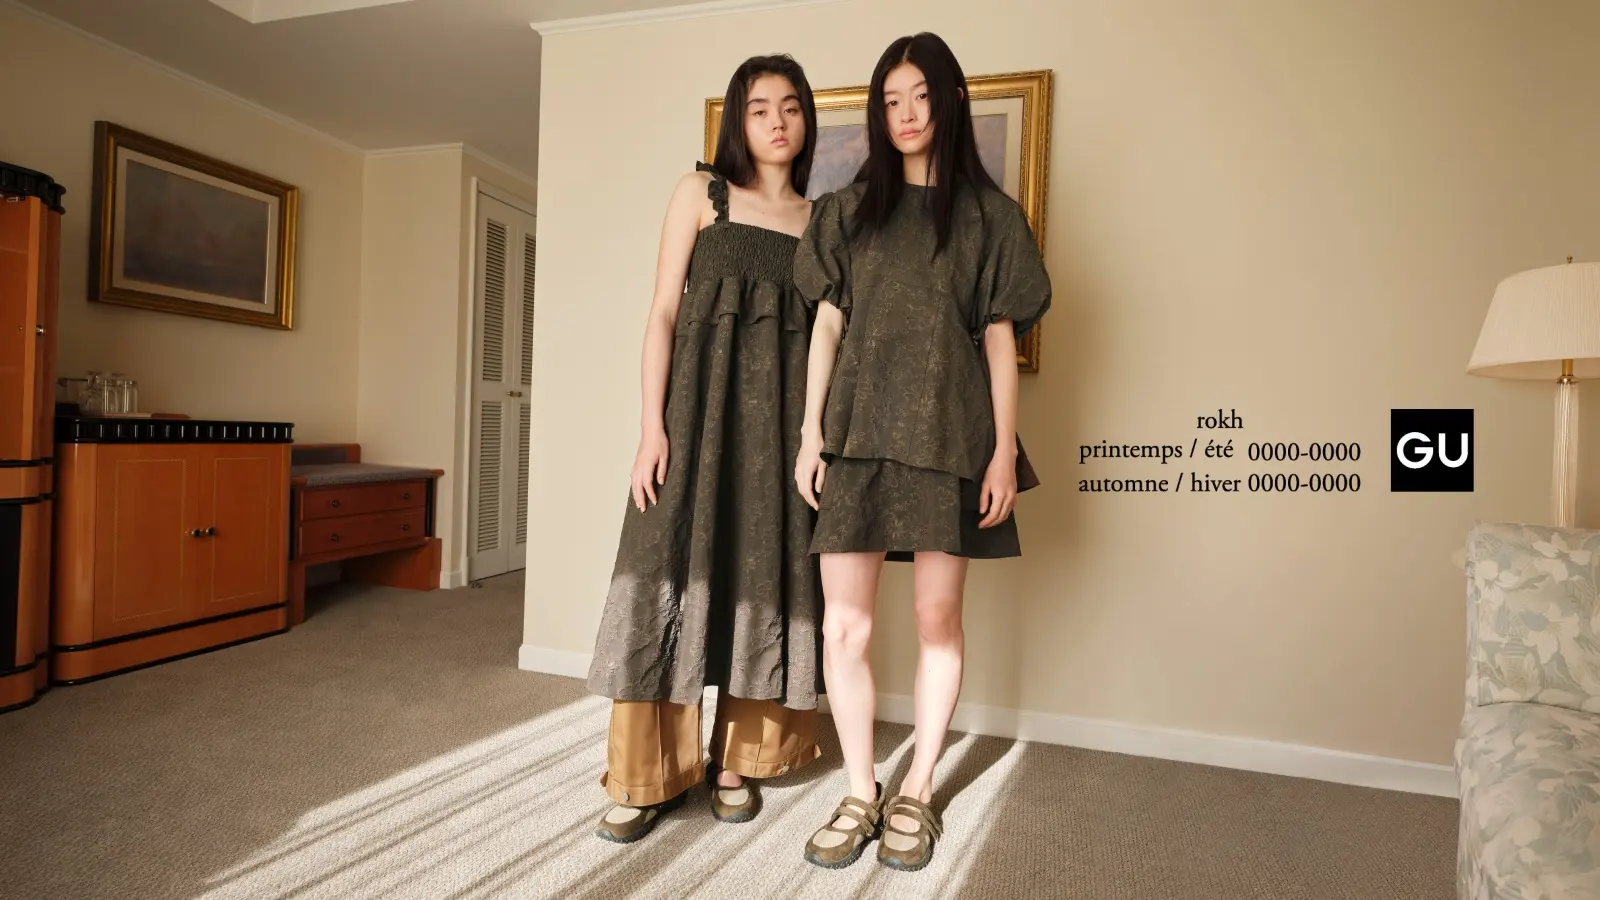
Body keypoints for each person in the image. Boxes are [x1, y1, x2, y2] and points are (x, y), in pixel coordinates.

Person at [792, 32, 1051, 871]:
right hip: (857, 434)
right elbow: (827, 326)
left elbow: (1000, 340)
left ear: (949, 102)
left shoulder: (989, 218)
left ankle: (918, 788)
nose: (905, 114)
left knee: (938, 621)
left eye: (921, 97)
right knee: (845, 625)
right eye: (891, 100)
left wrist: (1003, 452)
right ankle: (860, 791)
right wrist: (810, 433)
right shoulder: (845, 212)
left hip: (949, 434)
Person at [585, 54, 825, 844]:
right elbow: (662, 312)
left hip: (779, 432)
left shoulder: (821, 221)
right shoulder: (700, 194)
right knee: (663, 571)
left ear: (807, 119)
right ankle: (645, 774)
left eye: (790, 107)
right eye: (760, 108)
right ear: (737, 121)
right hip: (693, 415)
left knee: (761, 576)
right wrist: (651, 426)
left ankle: (738, 761)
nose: (777, 121)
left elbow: (832, 337)